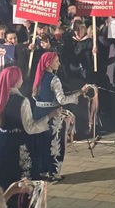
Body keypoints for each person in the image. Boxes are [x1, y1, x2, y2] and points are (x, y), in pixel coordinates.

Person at [0, 67, 60, 208]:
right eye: (20, 77)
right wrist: (49, 116)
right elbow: (30, 128)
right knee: (23, 178)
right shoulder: (22, 101)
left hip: (2, 142)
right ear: (15, 81)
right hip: (20, 144)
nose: (22, 80)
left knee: (3, 176)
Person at [32, 52, 87, 181]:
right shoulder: (54, 79)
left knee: (40, 142)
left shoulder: (38, 77)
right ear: (48, 63)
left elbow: (34, 95)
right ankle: (53, 172)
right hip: (52, 115)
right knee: (54, 142)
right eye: (56, 61)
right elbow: (62, 100)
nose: (59, 63)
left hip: (38, 112)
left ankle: (41, 170)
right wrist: (79, 93)